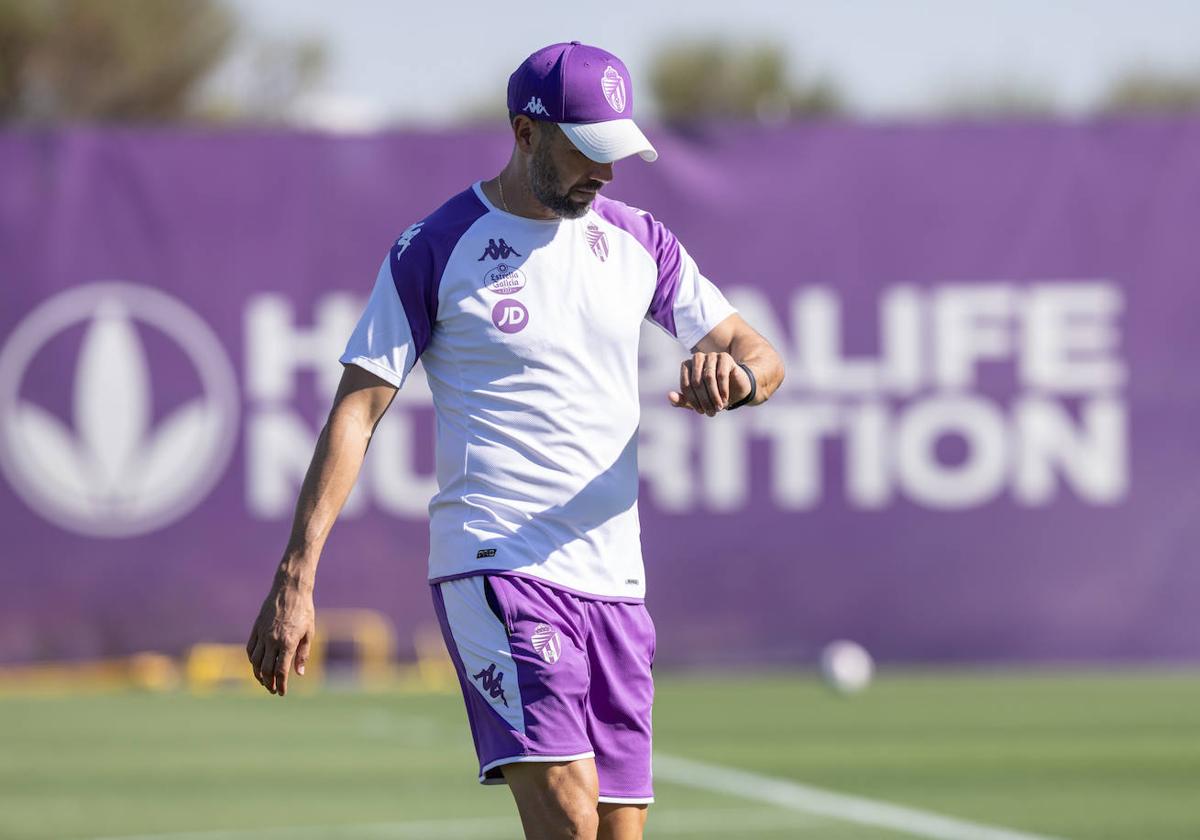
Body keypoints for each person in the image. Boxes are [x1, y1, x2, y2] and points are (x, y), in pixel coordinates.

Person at [246, 41, 784, 840]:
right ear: (526, 134)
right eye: (586, 151)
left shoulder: (642, 243)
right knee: (569, 821)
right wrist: (298, 571)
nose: (604, 173)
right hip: (498, 566)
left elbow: (762, 356)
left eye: (617, 151)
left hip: (615, 584)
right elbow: (355, 412)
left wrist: (733, 380)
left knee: (615, 833)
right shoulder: (436, 246)